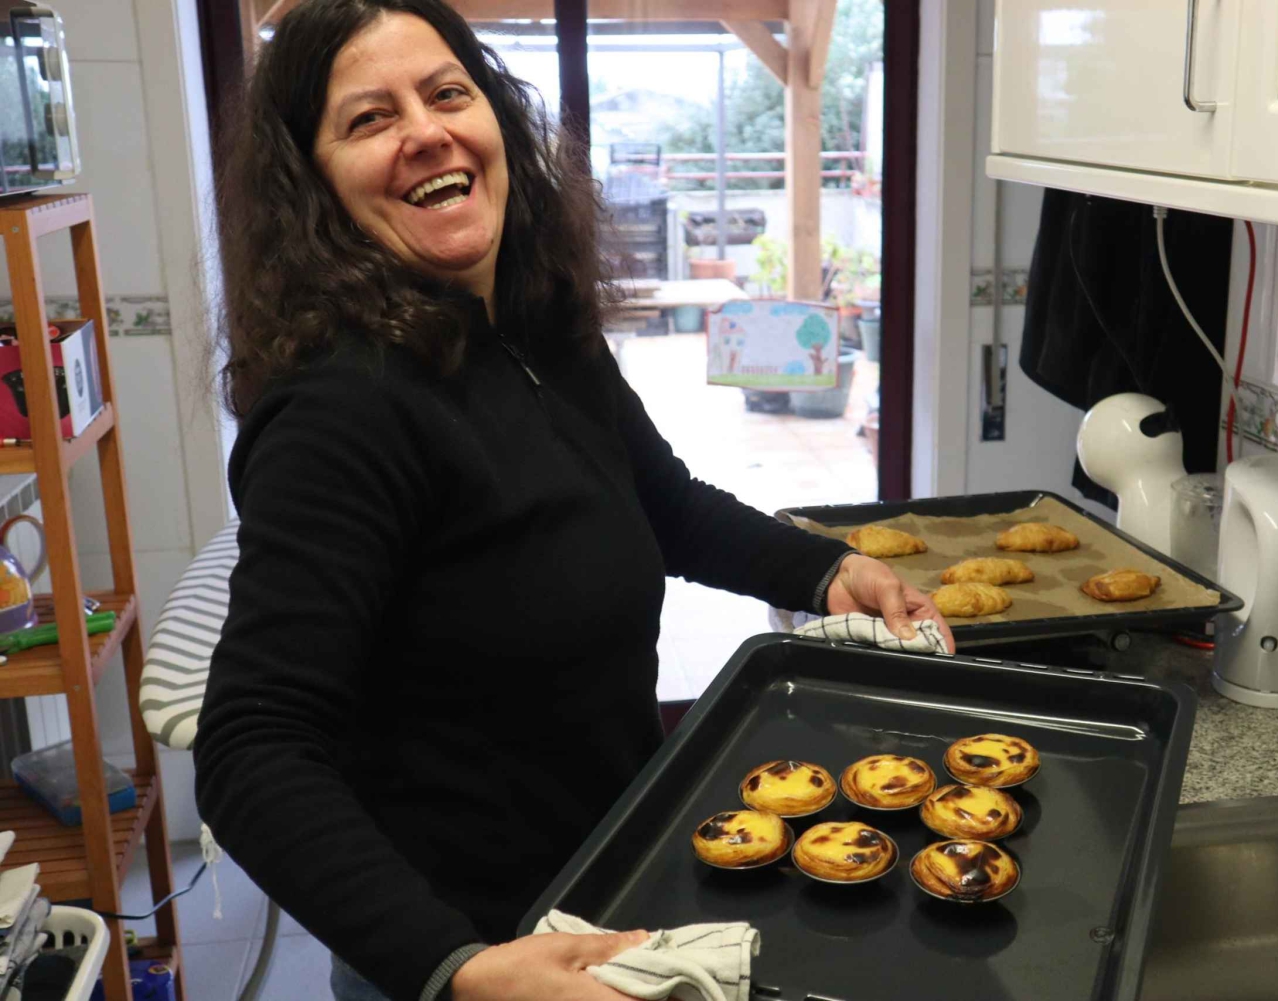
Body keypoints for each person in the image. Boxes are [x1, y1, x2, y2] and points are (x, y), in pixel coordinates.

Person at [193, 2, 953, 1000]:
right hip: (490, 950)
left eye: (448, 93)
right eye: (369, 119)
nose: (425, 129)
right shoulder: (345, 412)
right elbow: (253, 744)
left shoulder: (534, 328)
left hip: (612, 882)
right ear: (316, 188)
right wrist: (453, 968)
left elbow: (662, 501)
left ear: (497, 125)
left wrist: (824, 567)